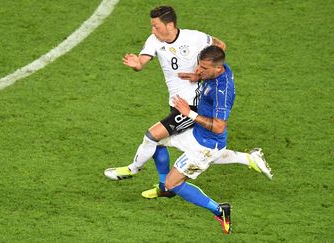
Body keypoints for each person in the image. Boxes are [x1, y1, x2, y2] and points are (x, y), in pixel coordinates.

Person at [104, 6, 272, 199]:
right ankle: (248, 159)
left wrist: (199, 74)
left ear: (170, 25)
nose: (153, 31)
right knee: (197, 150)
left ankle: (133, 169)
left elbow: (220, 47)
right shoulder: (154, 41)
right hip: (176, 103)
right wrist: (137, 65)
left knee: (152, 136)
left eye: (156, 26)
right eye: (152, 26)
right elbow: (142, 61)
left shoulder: (194, 37)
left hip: (191, 105)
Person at [160, 45, 237, 234]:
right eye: (199, 66)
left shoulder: (222, 92)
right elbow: (219, 47)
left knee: (174, 183)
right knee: (155, 140)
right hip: (196, 133)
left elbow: (219, 126)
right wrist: (199, 76)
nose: (198, 70)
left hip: (206, 146)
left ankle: (220, 210)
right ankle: (163, 187)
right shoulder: (218, 68)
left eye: (203, 68)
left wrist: (189, 114)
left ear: (218, 69)